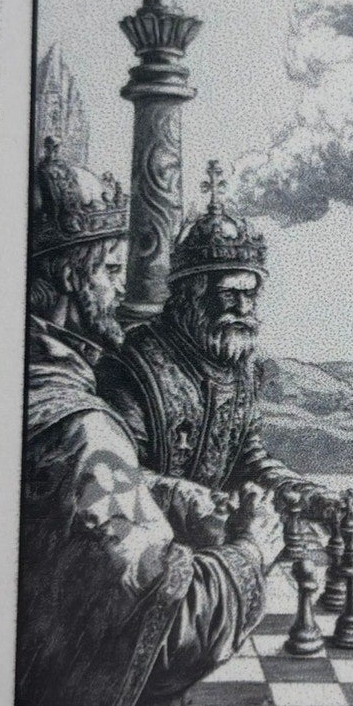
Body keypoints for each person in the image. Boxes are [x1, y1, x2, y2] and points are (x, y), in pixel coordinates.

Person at [15, 140, 281, 706]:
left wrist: (175, 495)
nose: (124, 289)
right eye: (111, 270)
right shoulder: (89, 423)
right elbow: (168, 630)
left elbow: (98, 496)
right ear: (69, 280)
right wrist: (250, 554)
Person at [96, 160, 337, 522]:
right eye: (229, 294)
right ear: (191, 296)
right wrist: (194, 502)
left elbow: (248, 462)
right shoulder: (134, 364)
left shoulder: (242, 369)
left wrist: (307, 494)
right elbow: (115, 476)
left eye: (250, 295)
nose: (243, 307)